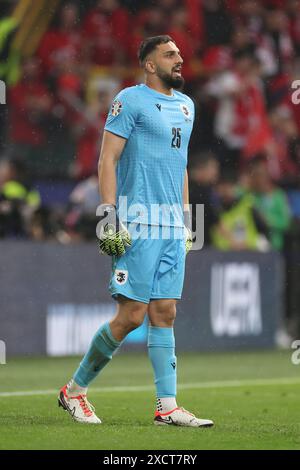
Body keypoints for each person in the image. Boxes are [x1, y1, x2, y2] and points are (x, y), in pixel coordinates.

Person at [58, 35, 213, 428]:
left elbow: (180, 167)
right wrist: (109, 216)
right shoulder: (130, 100)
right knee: (131, 315)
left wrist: (188, 222)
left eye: (179, 53)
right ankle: (74, 391)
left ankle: (168, 406)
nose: (179, 59)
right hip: (137, 221)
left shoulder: (187, 106)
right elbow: (107, 160)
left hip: (171, 225)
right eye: (169, 55)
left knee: (165, 311)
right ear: (148, 64)